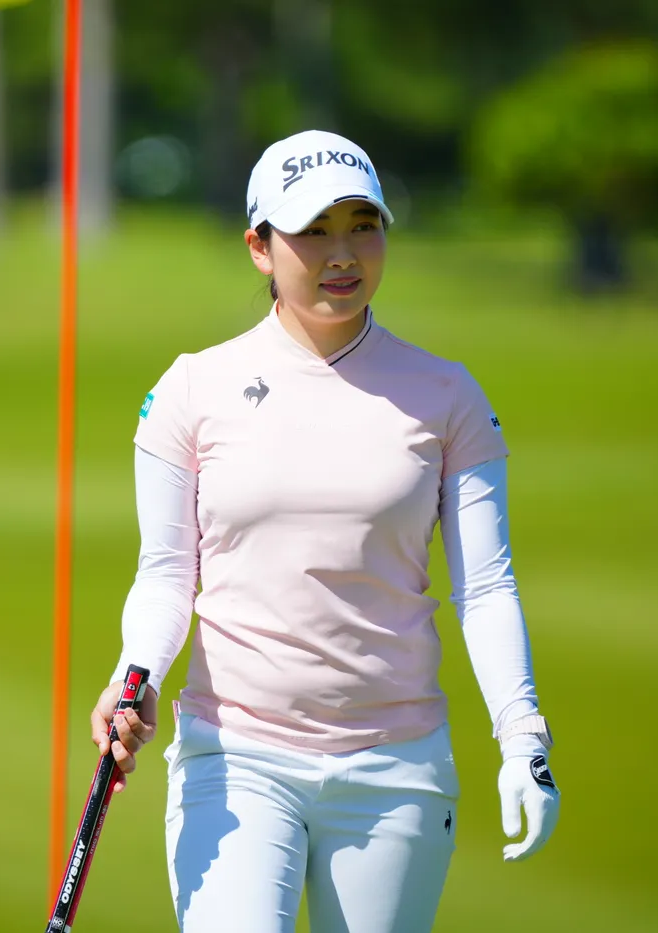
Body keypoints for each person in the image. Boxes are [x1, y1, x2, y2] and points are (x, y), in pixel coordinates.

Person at [88, 129, 561, 933]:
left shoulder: (448, 395)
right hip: (235, 755)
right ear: (259, 246)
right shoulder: (193, 388)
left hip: (396, 766)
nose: (343, 253)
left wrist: (523, 737)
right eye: (313, 231)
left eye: (362, 225)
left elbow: (486, 586)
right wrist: (137, 675)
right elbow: (167, 572)